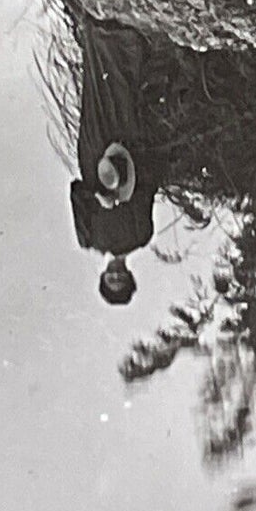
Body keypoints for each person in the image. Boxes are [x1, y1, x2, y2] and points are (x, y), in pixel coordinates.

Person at [68, 15, 159, 306]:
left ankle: (97, 37)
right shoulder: (141, 236)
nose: (116, 277)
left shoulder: (89, 239)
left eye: (112, 282)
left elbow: (75, 192)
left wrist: (97, 196)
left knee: (96, 96)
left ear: (104, 277)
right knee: (124, 99)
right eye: (122, 281)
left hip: (95, 158)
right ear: (130, 277)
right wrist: (125, 192)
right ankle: (124, 40)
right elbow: (148, 190)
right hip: (128, 158)